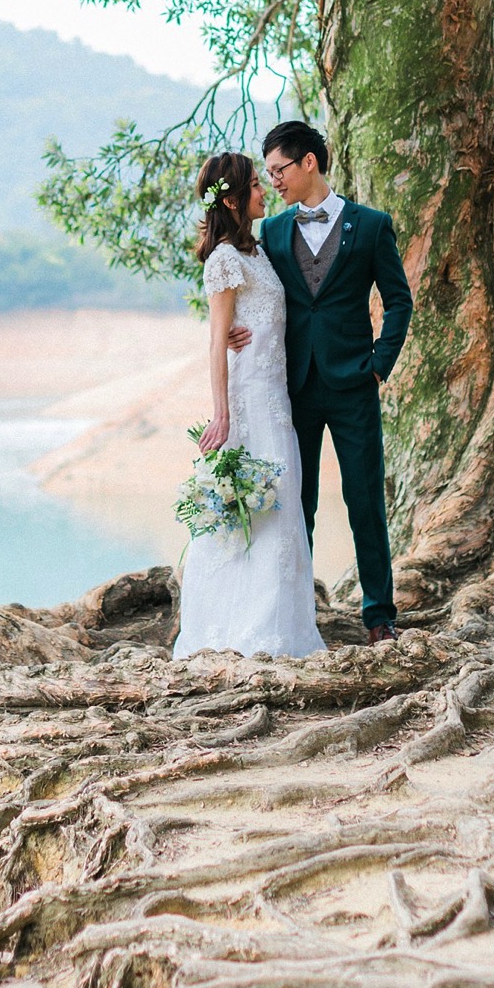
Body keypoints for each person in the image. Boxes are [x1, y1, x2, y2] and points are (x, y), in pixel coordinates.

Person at [253, 119, 413, 643]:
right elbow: (261, 298)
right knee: (297, 504)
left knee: (364, 498)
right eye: (268, 172)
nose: (273, 180)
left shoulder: (370, 225)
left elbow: (398, 302)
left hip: (353, 385)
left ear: (309, 163)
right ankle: (297, 612)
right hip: (293, 387)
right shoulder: (272, 232)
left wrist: (378, 362)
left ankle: (379, 616)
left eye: (280, 170)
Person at [172, 151, 325, 659]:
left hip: (275, 397)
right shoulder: (224, 259)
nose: (266, 191)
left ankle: (283, 630)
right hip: (247, 402)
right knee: (250, 515)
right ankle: (234, 632)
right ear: (235, 199)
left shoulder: (256, 253)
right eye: (258, 185)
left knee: (282, 509)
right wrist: (222, 414)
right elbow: (217, 341)